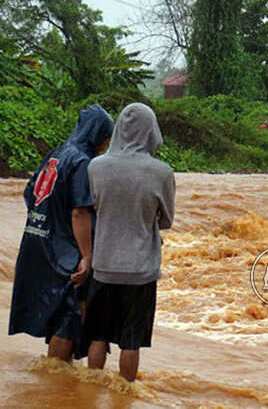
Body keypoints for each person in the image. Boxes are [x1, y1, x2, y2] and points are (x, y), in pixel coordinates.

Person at [9, 105, 114, 361]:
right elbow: (79, 212)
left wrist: (49, 222)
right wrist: (87, 256)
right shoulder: (82, 162)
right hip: (64, 249)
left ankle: (57, 382)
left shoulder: (56, 155)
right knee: (69, 315)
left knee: (56, 311)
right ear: (98, 135)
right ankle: (56, 380)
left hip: (39, 241)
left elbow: (29, 194)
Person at [86, 103, 175, 382]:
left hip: (103, 264)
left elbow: (95, 206)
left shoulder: (96, 167)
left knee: (98, 335)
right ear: (151, 131)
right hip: (140, 269)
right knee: (131, 341)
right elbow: (166, 220)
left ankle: (91, 391)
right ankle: (125, 396)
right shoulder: (161, 172)